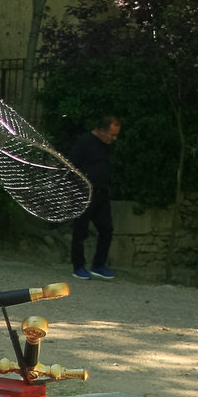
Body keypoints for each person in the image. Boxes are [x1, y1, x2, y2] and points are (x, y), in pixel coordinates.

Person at [66, 115, 120, 279]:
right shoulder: (84, 142)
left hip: (102, 193)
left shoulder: (106, 145)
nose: (114, 138)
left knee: (106, 229)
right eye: (112, 134)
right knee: (80, 230)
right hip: (84, 193)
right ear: (101, 130)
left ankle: (98, 265)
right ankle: (78, 266)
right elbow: (70, 165)